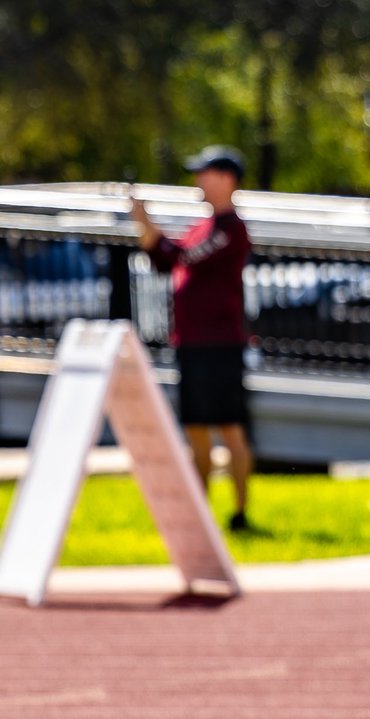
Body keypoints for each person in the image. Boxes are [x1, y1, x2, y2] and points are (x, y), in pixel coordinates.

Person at [130, 145, 254, 532]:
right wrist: (143, 223)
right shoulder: (201, 225)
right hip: (191, 342)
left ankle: (239, 512)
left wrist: (151, 227)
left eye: (206, 173)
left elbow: (185, 257)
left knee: (230, 427)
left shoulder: (231, 228)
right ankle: (201, 515)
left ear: (227, 179)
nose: (199, 180)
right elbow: (166, 261)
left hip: (221, 344)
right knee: (196, 429)